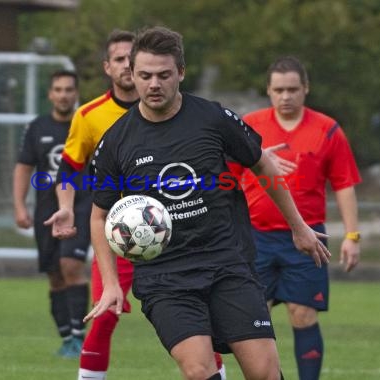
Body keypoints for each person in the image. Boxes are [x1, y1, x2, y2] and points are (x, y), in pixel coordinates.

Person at [82, 26, 331, 380]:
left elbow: (263, 163)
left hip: (227, 264)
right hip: (165, 277)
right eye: (145, 75)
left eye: (164, 75)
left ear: (181, 73)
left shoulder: (212, 118)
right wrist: (109, 283)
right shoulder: (117, 142)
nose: (154, 84)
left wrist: (298, 226)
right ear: (131, 76)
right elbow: (100, 215)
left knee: (264, 371)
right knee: (200, 370)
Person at [230, 56, 362, 380]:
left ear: (306, 89)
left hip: (306, 238)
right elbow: (226, 178)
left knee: (303, 314)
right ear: (268, 91)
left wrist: (352, 236)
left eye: (292, 89)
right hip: (255, 238)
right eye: (278, 90)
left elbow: (344, 184)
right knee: (252, 322)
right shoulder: (249, 126)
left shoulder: (327, 129)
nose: (285, 96)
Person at [13, 70, 90, 358]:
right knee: (55, 274)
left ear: (76, 93)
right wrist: (20, 206)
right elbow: (23, 167)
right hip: (46, 208)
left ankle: (79, 337)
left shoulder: (85, 124)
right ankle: (67, 337)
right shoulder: (37, 127)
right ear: (50, 94)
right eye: (58, 89)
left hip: (80, 204)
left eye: (69, 89)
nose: (63, 95)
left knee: (71, 265)